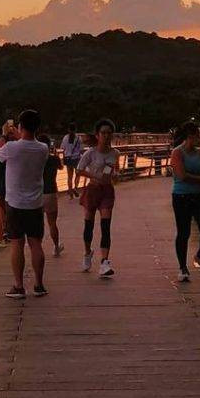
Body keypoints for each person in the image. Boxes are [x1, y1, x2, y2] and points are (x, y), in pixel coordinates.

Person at [0, 109, 50, 298]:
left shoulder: (11, 147)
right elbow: (27, 143)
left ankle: (19, 286)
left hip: (15, 204)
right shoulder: (43, 148)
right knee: (36, 244)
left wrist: (4, 135)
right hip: (35, 203)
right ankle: (39, 285)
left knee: (17, 245)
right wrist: (18, 135)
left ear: (20, 126)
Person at [169, 121, 200, 282]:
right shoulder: (177, 152)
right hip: (182, 197)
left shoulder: (199, 153)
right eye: (199, 135)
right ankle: (183, 268)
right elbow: (182, 175)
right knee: (184, 232)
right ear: (191, 136)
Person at [77, 118, 120, 278]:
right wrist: (94, 175)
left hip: (107, 192)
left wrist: (115, 175)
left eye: (109, 133)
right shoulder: (90, 153)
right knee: (89, 225)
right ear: (97, 135)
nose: (106, 136)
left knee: (105, 225)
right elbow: (79, 170)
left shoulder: (115, 153)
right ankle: (87, 253)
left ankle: (104, 261)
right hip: (92, 190)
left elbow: (115, 172)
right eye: (103, 133)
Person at [39, 134, 65, 256]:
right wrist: (56, 154)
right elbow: (61, 167)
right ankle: (56, 246)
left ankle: (37, 247)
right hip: (51, 192)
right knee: (52, 223)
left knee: (37, 223)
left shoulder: (35, 160)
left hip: (37, 193)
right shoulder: (54, 159)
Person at [59, 124, 84, 198]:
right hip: (76, 159)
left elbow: (62, 148)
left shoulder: (65, 138)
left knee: (69, 176)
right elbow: (81, 149)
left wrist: (64, 158)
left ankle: (70, 193)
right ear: (76, 130)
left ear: (68, 130)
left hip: (68, 159)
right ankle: (75, 188)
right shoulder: (79, 138)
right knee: (78, 174)